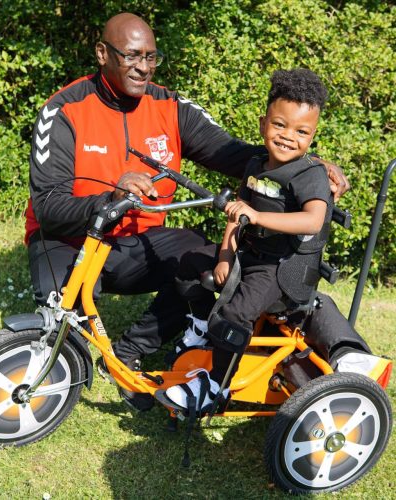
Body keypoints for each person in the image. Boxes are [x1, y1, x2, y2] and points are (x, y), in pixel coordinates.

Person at [26, 13, 368, 412]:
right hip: (71, 242)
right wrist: (109, 198)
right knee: (64, 333)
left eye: (152, 57)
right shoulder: (63, 111)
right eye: (132, 56)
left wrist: (311, 167)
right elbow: (49, 207)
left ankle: (132, 348)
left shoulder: (170, 106)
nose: (143, 67)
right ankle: (78, 342)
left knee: (203, 260)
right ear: (102, 53)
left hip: (137, 244)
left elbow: (241, 154)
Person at [164, 69, 382, 412]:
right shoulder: (255, 164)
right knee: (191, 264)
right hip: (247, 253)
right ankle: (204, 330)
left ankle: (214, 387)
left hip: (280, 270)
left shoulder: (310, 175)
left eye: (301, 131)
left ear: (312, 136)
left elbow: (313, 219)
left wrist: (259, 217)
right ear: (264, 122)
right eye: (279, 125)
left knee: (236, 314)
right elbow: (239, 213)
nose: (287, 137)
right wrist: (224, 254)